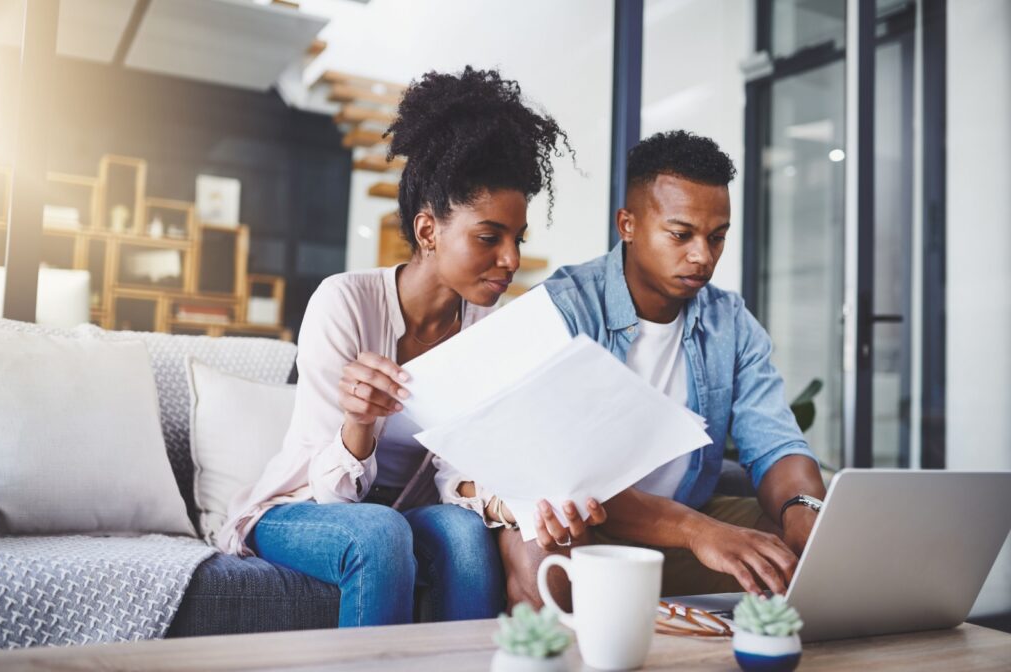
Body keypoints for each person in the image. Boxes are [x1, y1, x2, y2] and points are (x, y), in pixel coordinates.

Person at [218, 66, 577, 627]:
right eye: (489, 237)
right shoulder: (344, 303)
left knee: (463, 537)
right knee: (380, 533)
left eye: (517, 240)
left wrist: (502, 502)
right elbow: (331, 494)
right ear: (429, 231)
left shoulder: (486, 323)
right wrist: (359, 425)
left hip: (408, 511)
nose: (510, 259)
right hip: (302, 506)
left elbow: (454, 470)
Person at [500, 130, 828, 607]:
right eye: (681, 234)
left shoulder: (729, 321)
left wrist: (804, 512)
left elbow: (775, 440)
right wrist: (699, 532)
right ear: (627, 225)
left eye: (717, 237)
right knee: (541, 549)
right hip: (585, 525)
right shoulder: (563, 310)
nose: (703, 256)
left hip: (685, 521)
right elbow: (570, 478)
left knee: (810, 547)